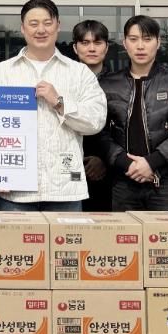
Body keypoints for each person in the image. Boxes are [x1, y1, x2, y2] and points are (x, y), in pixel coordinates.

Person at [0, 0, 107, 211]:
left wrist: (59, 102)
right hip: (15, 192)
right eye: (33, 23)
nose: (41, 30)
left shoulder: (79, 73)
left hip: (65, 191)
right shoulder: (0, 73)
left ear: (58, 26)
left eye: (47, 23)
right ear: (23, 28)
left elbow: (96, 121)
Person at [100, 15, 168, 211]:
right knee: (124, 232)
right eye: (133, 39)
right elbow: (99, 132)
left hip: (167, 183)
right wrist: (126, 163)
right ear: (124, 43)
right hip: (122, 181)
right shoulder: (107, 85)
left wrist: (152, 162)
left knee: (166, 231)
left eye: (147, 39)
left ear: (158, 42)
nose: (140, 46)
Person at [72, 19, 112, 211]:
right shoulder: (64, 81)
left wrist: (104, 159)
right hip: (70, 167)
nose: (92, 48)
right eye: (85, 43)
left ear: (106, 47)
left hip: (111, 170)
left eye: (97, 42)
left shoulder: (120, 82)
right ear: (75, 47)